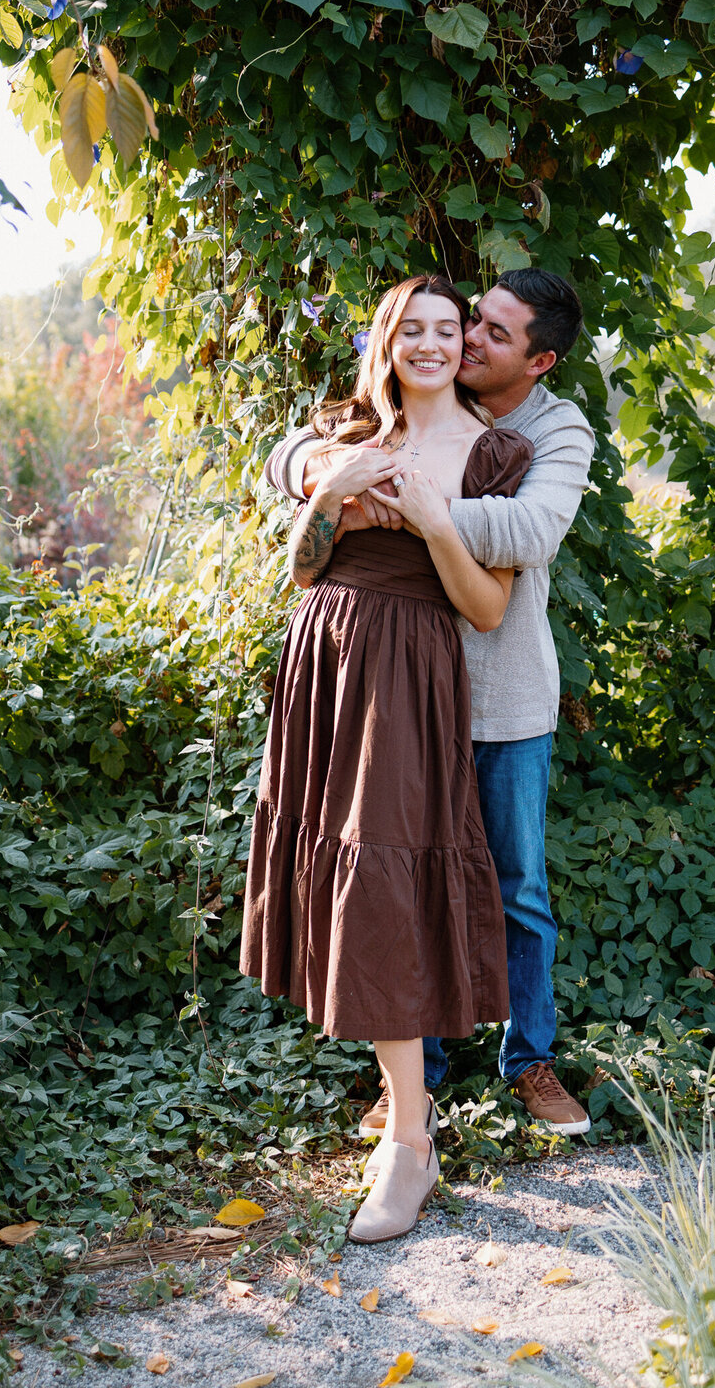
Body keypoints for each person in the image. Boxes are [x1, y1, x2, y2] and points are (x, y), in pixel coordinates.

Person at [263, 268, 594, 1136]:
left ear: (540, 360)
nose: (467, 340)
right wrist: (327, 475)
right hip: (390, 690)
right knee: (396, 871)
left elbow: (527, 533)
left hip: (499, 694)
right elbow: (287, 460)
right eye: (466, 321)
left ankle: (530, 1061)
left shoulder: (548, 433)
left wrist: (411, 504)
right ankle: (416, 1080)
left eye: (489, 333)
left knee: (511, 884)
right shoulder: (372, 420)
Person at [241, 275, 533, 1244]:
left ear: (466, 346)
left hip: (411, 671)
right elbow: (302, 562)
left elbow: (486, 608)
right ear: (387, 340)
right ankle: (402, 1122)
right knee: (345, 875)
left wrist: (438, 522)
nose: (432, 344)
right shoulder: (348, 432)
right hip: (325, 660)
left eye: (448, 330)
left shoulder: (491, 454)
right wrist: (332, 488)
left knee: (384, 884)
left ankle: (411, 1142)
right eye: (412, 329)